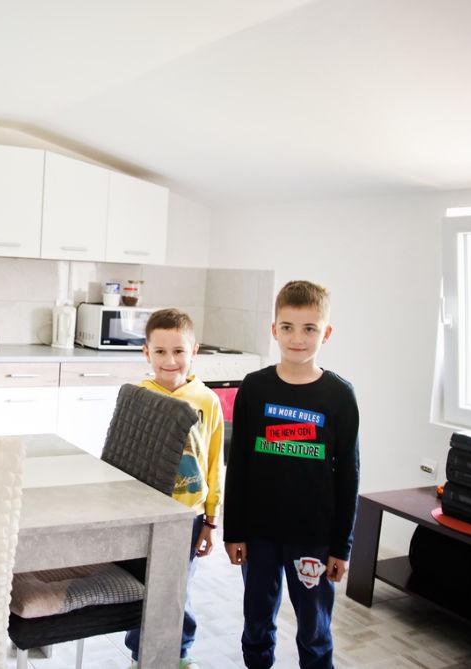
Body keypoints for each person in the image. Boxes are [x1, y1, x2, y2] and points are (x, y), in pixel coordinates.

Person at [223, 280, 360, 669]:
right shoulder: (254, 388)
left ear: (326, 333)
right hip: (259, 534)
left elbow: (348, 475)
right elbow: (239, 466)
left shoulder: (339, 395)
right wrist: (233, 532)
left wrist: (342, 546)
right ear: (274, 329)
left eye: (309, 328)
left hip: (313, 536)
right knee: (256, 620)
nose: (297, 338)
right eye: (288, 327)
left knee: (314, 629)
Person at [124, 308, 224, 669]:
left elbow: (214, 462)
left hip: (188, 515)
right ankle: (140, 655)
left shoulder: (207, 400)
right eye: (161, 351)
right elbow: (124, 455)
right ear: (146, 353)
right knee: (145, 587)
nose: (170, 361)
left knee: (178, 587)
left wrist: (211, 519)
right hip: (145, 512)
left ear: (193, 351)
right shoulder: (137, 395)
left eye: (179, 351)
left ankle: (180, 653)